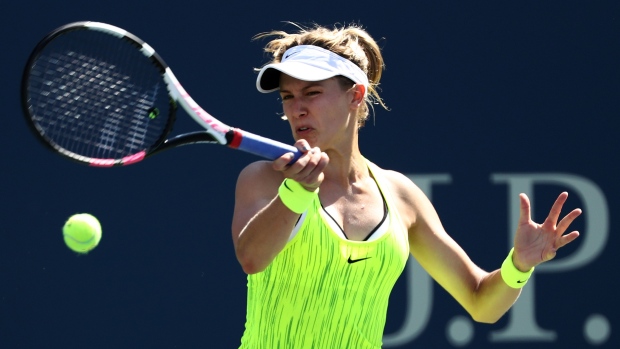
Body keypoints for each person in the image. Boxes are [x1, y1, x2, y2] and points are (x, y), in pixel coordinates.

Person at [231, 22, 582, 349]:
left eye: (311, 93)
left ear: (355, 95)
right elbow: (252, 258)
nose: (297, 109)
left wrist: (519, 265)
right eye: (288, 97)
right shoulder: (266, 179)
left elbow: (480, 302)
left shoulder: (400, 196)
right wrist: (296, 192)